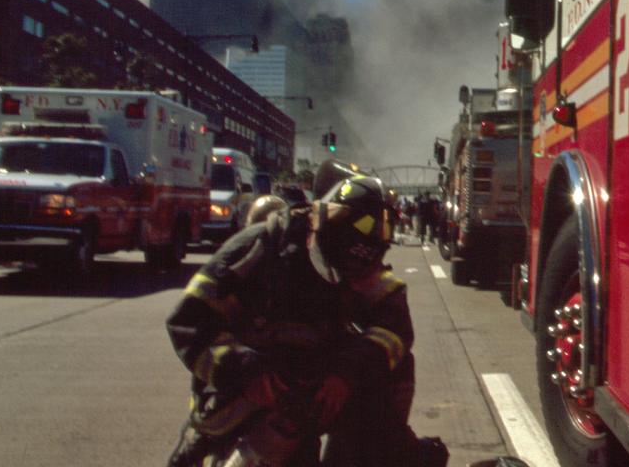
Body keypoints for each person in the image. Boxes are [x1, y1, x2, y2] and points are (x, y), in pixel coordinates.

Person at [165, 159, 448, 467]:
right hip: (248, 381)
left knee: (397, 369)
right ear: (319, 228)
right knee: (249, 430)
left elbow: (394, 329)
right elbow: (187, 321)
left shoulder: (362, 263)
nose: (347, 281)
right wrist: (245, 370)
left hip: (315, 384)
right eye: (339, 270)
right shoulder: (259, 250)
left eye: (357, 274)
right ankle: (202, 437)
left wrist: (347, 373)